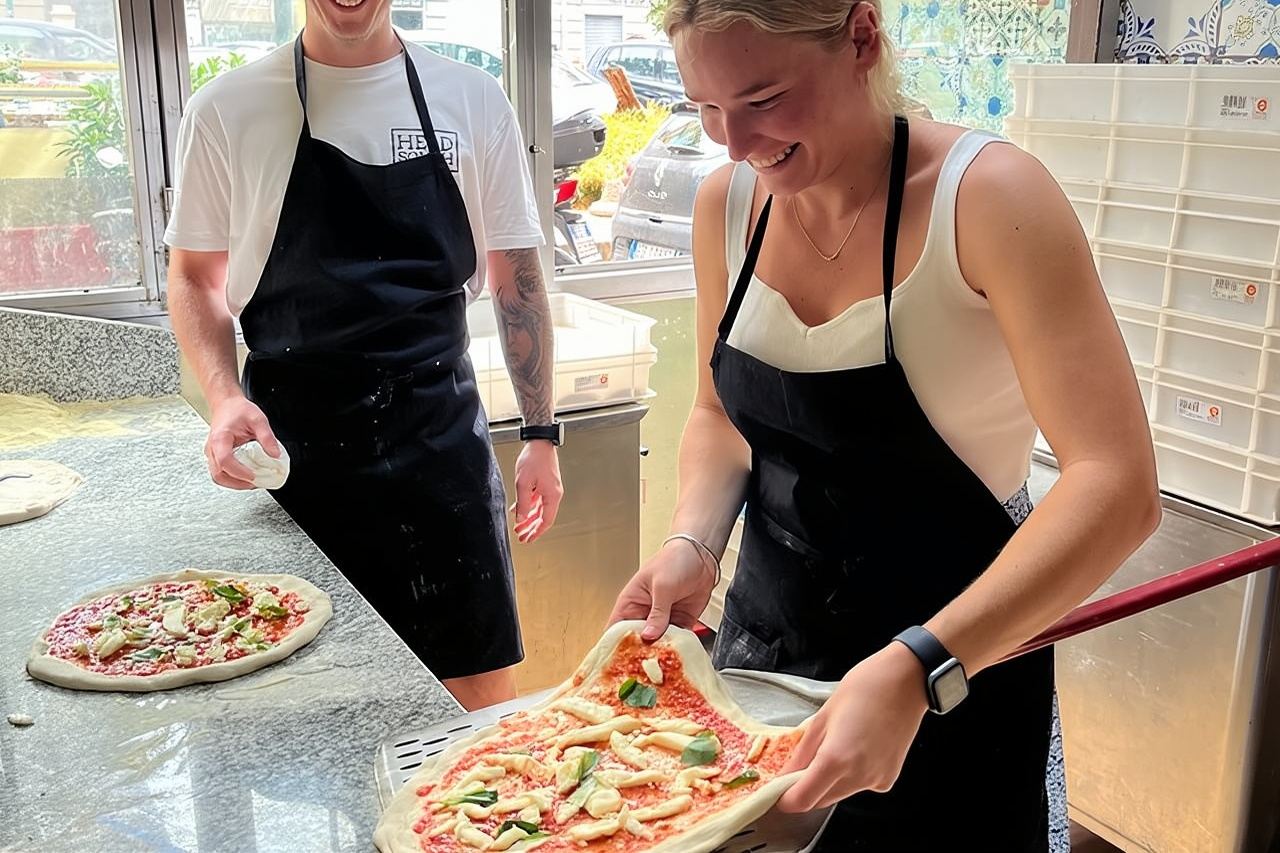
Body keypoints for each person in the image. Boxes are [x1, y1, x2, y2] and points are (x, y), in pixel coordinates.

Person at [609, 1, 1161, 849]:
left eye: (762, 100)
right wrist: (695, 541)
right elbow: (720, 413)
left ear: (861, 38)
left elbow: (1118, 486)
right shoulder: (727, 203)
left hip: (959, 667)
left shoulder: (989, 199)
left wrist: (920, 666)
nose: (734, 143)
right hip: (767, 658)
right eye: (706, 108)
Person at [165, 0, 565, 712]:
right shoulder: (226, 108)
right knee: (306, 702)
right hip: (295, 459)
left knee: (475, 700)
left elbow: (517, 279)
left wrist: (541, 434)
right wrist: (224, 398)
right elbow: (195, 276)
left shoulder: (473, 98)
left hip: (441, 451)